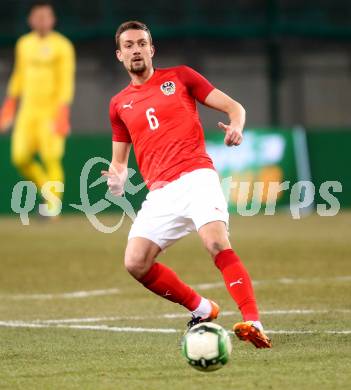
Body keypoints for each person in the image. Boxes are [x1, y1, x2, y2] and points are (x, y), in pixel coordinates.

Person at [103, 20, 272, 348]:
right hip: (160, 192)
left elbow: (234, 107)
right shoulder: (118, 105)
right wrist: (117, 179)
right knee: (135, 262)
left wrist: (236, 126)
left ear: (152, 50)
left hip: (197, 177)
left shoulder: (181, 77)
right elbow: (119, 163)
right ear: (119, 55)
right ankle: (203, 309)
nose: (136, 49)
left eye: (141, 43)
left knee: (215, 243)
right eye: (129, 45)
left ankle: (253, 322)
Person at [0, 1, 75, 215]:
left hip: (51, 111)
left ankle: (52, 207)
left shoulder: (63, 46)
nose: (42, 21)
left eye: (46, 16)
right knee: (20, 157)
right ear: (30, 20)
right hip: (28, 111)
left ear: (53, 20)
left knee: (51, 157)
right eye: (38, 17)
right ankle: (46, 189)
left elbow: (66, 81)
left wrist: (62, 112)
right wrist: (9, 105)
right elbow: (18, 76)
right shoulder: (23, 44)